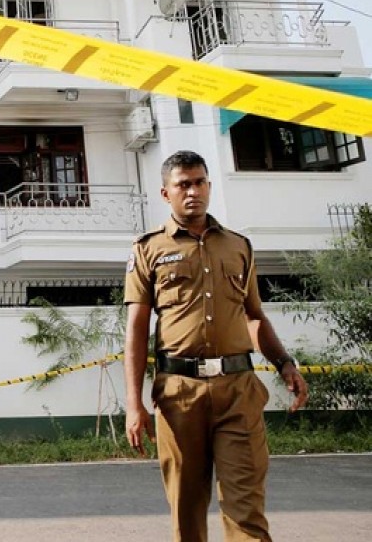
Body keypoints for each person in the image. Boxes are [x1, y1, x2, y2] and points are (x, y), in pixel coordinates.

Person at [123, 150, 308, 541]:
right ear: (165, 193)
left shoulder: (238, 246)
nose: (193, 191)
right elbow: (137, 329)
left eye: (200, 182)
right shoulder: (148, 249)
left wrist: (284, 363)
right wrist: (133, 403)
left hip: (238, 391)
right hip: (179, 395)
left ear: (209, 185)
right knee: (187, 510)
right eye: (183, 185)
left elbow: (253, 315)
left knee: (247, 508)